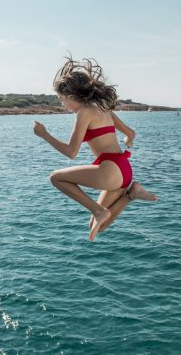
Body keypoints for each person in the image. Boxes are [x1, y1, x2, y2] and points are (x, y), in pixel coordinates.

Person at [33, 57, 157, 241]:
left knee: (56, 177)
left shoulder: (84, 113)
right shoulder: (103, 107)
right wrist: (128, 139)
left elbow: (71, 152)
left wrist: (45, 135)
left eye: (62, 99)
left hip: (110, 170)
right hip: (124, 169)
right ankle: (132, 194)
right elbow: (131, 132)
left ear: (72, 95)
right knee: (97, 227)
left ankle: (98, 210)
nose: (63, 105)